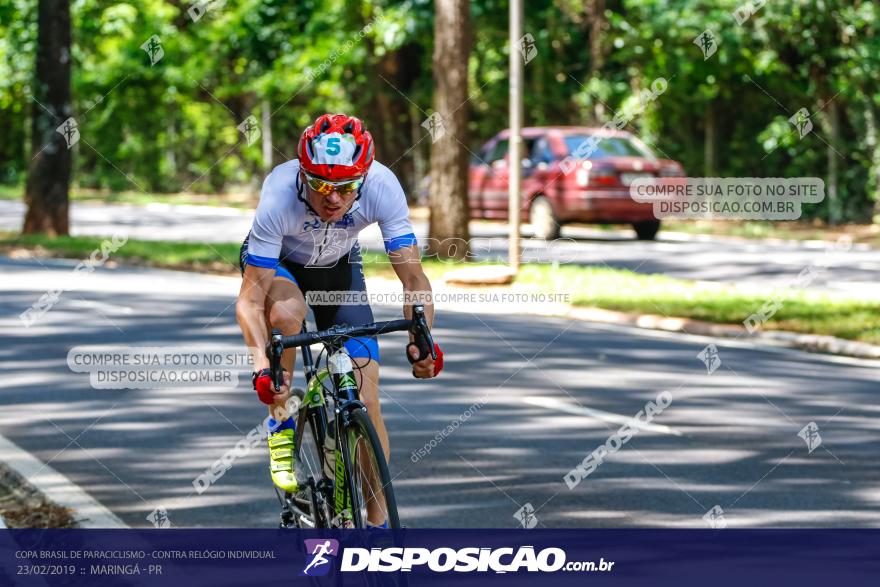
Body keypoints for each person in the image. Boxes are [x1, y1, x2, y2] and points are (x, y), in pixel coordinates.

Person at [235, 113, 443, 528]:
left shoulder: (382, 185)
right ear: (304, 175)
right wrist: (262, 364)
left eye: (346, 187)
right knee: (287, 315)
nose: (333, 198)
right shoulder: (279, 191)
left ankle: (380, 529)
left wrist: (423, 336)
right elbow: (249, 299)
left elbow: (414, 275)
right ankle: (282, 419)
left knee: (367, 401)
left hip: (338, 268)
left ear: (362, 180)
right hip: (282, 267)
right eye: (321, 185)